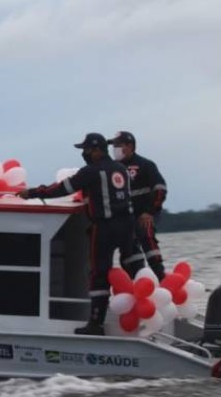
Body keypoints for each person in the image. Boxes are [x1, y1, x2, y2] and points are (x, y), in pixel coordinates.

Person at [18, 133, 137, 336]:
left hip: (104, 228)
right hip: (128, 226)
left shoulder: (92, 171)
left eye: (86, 150)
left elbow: (63, 188)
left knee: (99, 274)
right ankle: (143, 313)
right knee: (134, 267)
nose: (84, 154)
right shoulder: (121, 169)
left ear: (97, 150)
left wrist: (34, 193)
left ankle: (96, 323)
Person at [109, 131, 168, 281]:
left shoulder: (145, 165)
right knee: (128, 250)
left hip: (144, 214)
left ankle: (161, 277)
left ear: (129, 146)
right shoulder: (113, 168)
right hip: (124, 217)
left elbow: (160, 189)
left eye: (118, 145)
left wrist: (150, 212)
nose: (114, 148)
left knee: (146, 238)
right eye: (113, 145)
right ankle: (138, 280)